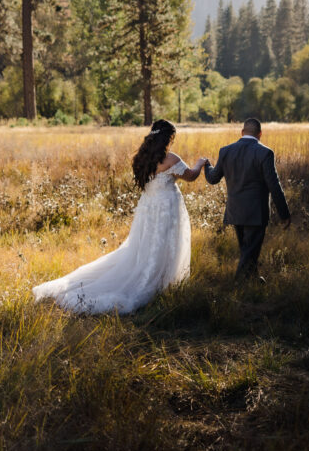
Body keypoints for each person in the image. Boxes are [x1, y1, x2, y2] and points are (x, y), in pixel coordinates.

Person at [32, 119, 206, 314]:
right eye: (171, 138)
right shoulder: (171, 159)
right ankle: (161, 284)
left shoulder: (142, 157)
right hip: (166, 209)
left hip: (148, 208)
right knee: (165, 243)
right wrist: (200, 163)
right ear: (167, 138)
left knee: (146, 245)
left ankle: (157, 279)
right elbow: (190, 176)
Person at [204, 117, 290, 282]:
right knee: (250, 250)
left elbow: (213, 178)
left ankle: (253, 280)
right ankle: (239, 283)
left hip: (235, 211)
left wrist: (207, 166)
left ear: (242, 132)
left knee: (247, 250)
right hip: (256, 213)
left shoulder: (226, 151)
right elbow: (274, 185)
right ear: (260, 134)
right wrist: (284, 214)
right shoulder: (265, 152)